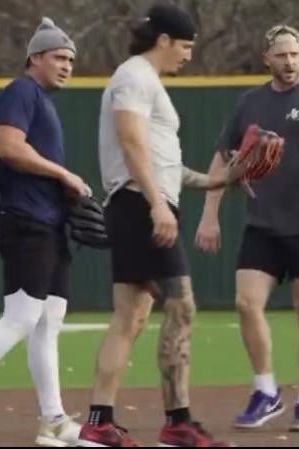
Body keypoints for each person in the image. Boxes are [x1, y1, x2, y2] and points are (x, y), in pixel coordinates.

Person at [76, 4, 234, 447]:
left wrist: (220, 180)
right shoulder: (135, 76)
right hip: (140, 205)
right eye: (184, 45)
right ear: (163, 40)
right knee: (181, 306)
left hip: (140, 202)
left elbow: (166, 163)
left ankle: (99, 421)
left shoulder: (146, 81)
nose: (187, 54)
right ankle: (177, 421)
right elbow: (130, 141)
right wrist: (156, 205)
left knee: (131, 315)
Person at [195, 24, 299, 434]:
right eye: (281, 55)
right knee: (247, 303)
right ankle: (266, 390)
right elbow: (223, 159)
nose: (290, 61)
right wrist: (209, 213)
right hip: (262, 224)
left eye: (295, 54)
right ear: (267, 58)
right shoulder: (250, 103)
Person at [0, 17, 86, 448]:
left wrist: (64, 190)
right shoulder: (21, 91)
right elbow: (9, 147)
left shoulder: (44, 101)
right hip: (25, 221)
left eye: (70, 59)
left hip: (49, 222)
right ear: (35, 58)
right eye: (59, 57)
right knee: (22, 318)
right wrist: (63, 174)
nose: (67, 65)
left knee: (49, 320)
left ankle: (53, 421)